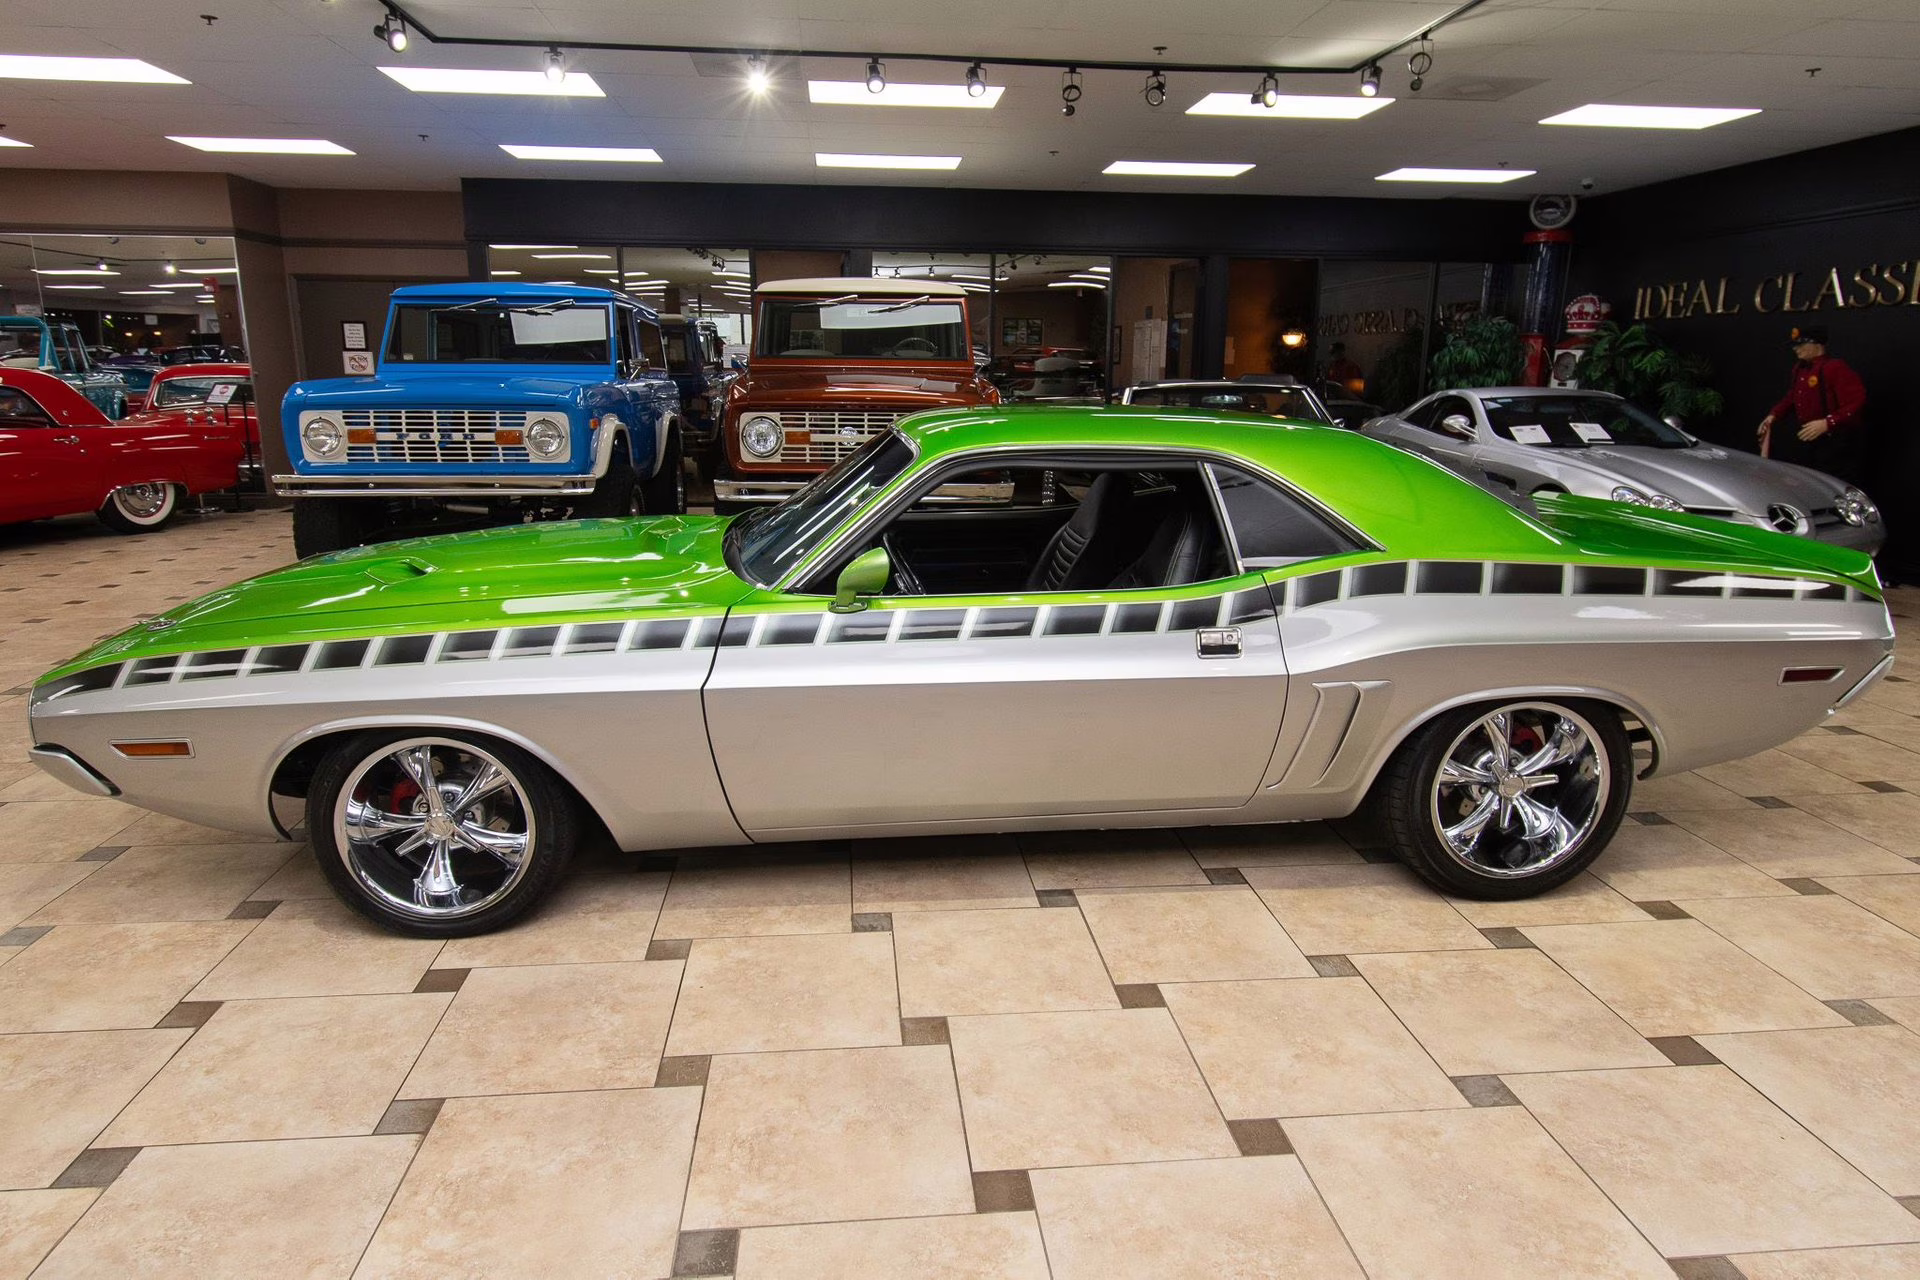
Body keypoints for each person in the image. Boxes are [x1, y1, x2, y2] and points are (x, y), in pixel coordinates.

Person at [1757, 325, 1866, 481]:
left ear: (1817, 344)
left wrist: (1828, 423)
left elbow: (1856, 401)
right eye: (1795, 345)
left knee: (1832, 481)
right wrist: (1773, 415)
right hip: (1810, 439)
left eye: (1801, 344)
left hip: (1834, 439)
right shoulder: (1800, 369)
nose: (1796, 349)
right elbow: (1792, 397)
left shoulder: (1834, 367)